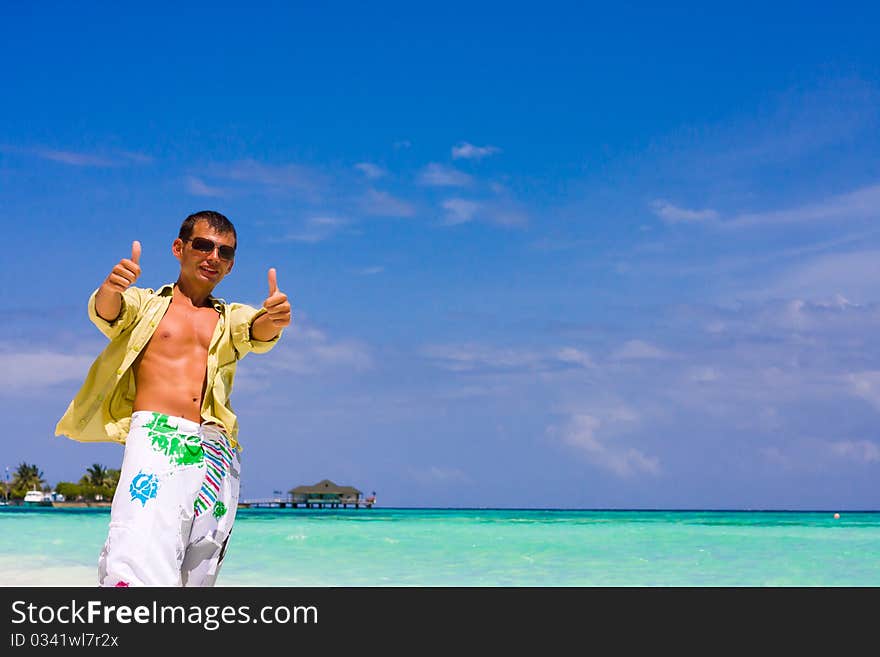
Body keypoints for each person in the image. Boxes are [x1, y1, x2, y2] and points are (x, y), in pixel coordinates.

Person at [55, 210, 291, 587]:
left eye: (225, 252)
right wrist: (111, 289)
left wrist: (274, 319)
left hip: (216, 446)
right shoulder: (147, 305)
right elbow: (109, 313)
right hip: (156, 440)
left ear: (230, 266)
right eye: (203, 245)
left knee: (201, 563)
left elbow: (256, 329)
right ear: (179, 248)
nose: (213, 257)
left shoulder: (228, 318)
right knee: (136, 552)